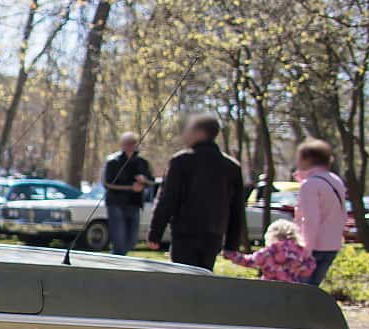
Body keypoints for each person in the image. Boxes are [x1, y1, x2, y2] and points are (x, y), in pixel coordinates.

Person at [147, 113, 246, 269]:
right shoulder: (231, 166)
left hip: (185, 232)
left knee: (183, 275)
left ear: (199, 133)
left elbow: (168, 198)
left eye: (189, 130)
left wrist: (155, 233)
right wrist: (231, 244)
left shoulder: (182, 161)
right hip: (214, 233)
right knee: (204, 275)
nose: (185, 134)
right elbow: (237, 209)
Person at [292, 137, 348, 287]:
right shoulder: (335, 180)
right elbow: (342, 213)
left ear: (307, 159)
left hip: (313, 247)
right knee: (313, 290)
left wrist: (305, 251)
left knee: (300, 291)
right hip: (332, 245)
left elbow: (311, 220)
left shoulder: (310, 185)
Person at [101, 132, 154, 255]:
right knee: (119, 241)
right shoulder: (113, 161)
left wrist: (144, 181)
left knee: (131, 240)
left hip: (134, 204)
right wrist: (131, 188)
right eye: (127, 143)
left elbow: (151, 182)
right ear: (122, 144)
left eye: (133, 143)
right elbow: (107, 183)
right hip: (116, 203)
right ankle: (116, 260)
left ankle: (119, 257)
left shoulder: (142, 162)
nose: (131, 145)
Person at [224, 219, 316, 284]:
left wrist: (231, 254)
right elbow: (309, 268)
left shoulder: (269, 251)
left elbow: (249, 261)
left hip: (269, 287)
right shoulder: (300, 252)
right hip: (291, 288)